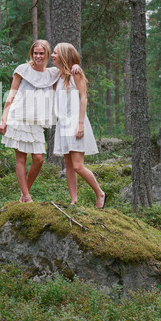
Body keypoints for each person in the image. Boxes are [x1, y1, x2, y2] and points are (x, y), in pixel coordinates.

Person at [0, 39, 80, 203]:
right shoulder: (23, 70)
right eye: (35, 53)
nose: (38, 56)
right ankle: (27, 197)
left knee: (39, 159)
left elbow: (68, 69)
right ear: (31, 53)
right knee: (21, 158)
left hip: (36, 122)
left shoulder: (52, 74)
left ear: (48, 54)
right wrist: (3, 118)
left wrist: (76, 65)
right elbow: (12, 94)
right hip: (18, 117)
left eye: (42, 53)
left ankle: (23, 194)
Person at [51, 43, 107, 209]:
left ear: (63, 55)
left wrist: (80, 124)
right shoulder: (58, 76)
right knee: (68, 165)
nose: (52, 56)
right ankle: (74, 200)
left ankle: (100, 193)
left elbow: (84, 98)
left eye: (55, 53)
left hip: (76, 122)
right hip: (63, 124)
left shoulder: (77, 74)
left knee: (77, 165)